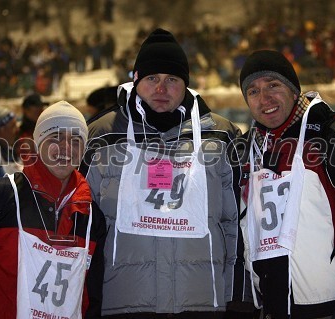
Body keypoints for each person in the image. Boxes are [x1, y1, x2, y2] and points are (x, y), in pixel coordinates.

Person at [82, 28, 243, 318]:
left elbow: (234, 221)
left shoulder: (221, 135)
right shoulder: (102, 134)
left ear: (186, 85)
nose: (161, 88)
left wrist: (236, 293)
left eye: (172, 79)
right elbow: (80, 222)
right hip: (122, 299)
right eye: (152, 78)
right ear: (136, 80)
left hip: (201, 300)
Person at [237, 50, 335, 319]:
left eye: (273, 86)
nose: (264, 98)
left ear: (293, 90)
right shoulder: (246, 150)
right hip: (271, 307)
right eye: (252, 91)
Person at [0, 101, 106, 318]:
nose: (65, 148)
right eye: (55, 137)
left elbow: (91, 297)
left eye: (75, 140)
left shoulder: (91, 216)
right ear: (37, 143)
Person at [16, 93, 48, 163]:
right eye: (37, 106)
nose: (41, 109)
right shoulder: (17, 134)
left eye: (42, 106)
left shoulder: (45, 131)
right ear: (26, 110)